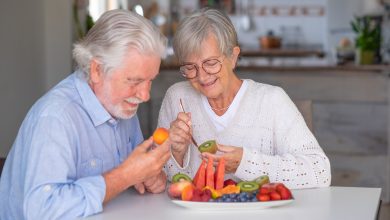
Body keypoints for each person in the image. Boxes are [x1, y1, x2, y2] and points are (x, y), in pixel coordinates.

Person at [0, 9, 171, 219]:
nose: (145, 95)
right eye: (134, 81)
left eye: (150, 80)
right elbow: (40, 210)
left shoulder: (123, 106)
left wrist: (150, 176)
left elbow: (135, 178)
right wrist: (126, 176)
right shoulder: (55, 118)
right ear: (96, 70)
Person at [158, 8, 331, 189]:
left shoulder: (272, 100)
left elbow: (320, 172)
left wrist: (246, 164)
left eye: (210, 63)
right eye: (190, 67)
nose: (201, 76)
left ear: (233, 57)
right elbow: (158, 179)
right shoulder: (177, 98)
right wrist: (177, 153)